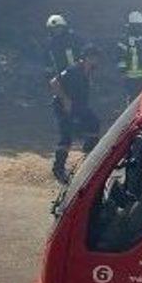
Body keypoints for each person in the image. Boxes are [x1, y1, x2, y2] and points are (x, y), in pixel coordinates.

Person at [49, 45, 101, 183]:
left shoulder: (89, 71)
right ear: (86, 57)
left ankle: (88, 158)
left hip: (79, 106)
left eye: (96, 57)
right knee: (66, 136)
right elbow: (54, 82)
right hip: (63, 106)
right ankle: (58, 169)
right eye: (93, 57)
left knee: (94, 123)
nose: (96, 60)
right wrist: (65, 100)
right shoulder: (74, 69)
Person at [117, 10, 142, 103]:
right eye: (136, 26)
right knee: (133, 101)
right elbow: (121, 59)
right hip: (131, 79)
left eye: (139, 26)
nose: (138, 28)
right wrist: (123, 72)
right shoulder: (125, 41)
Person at [44, 14, 81, 78]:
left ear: (63, 27)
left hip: (75, 74)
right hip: (58, 76)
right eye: (53, 28)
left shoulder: (72, 40)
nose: (56, 30)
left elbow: (79, 56)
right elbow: (48, 61)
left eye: (58, 27)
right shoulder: (49, 44)